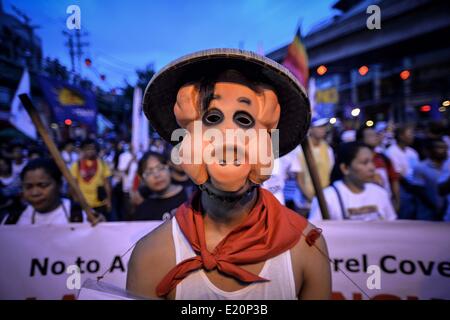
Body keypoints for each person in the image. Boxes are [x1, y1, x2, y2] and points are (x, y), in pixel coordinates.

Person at [126, 49, 331, 300]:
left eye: (244, 120)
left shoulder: (306, 247)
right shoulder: (152, 255)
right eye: (212, 118)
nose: (228, 138)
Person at [309, 142, 397, 221]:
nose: (372, 168)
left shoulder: (380, 193)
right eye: (365, 163)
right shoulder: (327, 198)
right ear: (345, 168)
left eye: (372, 161)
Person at [2, 158, 87, 225]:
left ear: (59, 185)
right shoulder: (13, 220)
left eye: (43, 185)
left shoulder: (82, 217)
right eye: (28, 187)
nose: (35, 193)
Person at [131, 151, 187, 221]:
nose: (157, 175)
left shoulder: (190, 197)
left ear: (169, 168)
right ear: (143, 179)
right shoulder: (143, 209)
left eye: (160, 168)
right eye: (149, 172)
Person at [356, 125, 400, 210]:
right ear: (361, 140)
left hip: (386, 202)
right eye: (370, 135)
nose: (375, 138)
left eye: (375, 135)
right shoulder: (355, 161)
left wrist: (397, 200)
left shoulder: (383, 158)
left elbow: (394, 179)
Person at [296, 117, 334, 206]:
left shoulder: (328, 149)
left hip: (324, 198)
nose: (323, 130)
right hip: (304, 201)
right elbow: (299, 179)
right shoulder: (300, 150)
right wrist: (312, 200)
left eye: (324, 127)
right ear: (310, 129)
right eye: (319, 127)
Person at [70, 139, 113, 219]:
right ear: (83, 150)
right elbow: (73, 184)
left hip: (100, 204)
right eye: (87, 149)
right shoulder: (76, 165)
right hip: (83, 204)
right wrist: (76, 201)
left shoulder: (102, 164)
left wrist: (109, 200)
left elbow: (107, 183)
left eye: (92, 148)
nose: (90, 151)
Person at [412, 138, 450, 220]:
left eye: (445, 148)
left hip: (446, 213)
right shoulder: (420, 167)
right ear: (430, 150)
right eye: (439, 147)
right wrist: (434, 207)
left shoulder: (448, 167)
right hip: (426, 213)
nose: (443, 150)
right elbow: (419, 192)